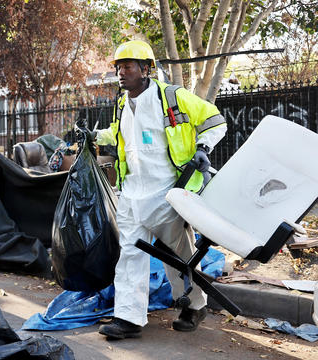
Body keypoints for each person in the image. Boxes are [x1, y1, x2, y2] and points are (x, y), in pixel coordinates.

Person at [94, 40, 227, 339]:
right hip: (131, 194)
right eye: (118, 67)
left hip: (166, 192)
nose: (121, 72)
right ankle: (128, 318)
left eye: (127, 66)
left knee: (178, 255)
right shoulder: (121, 104)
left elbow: (215, 119)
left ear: (146, 69)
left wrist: (204, 147)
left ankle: (194, 306)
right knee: (129, 254)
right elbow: (119, 137)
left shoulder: (171, 97)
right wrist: (94, 136)